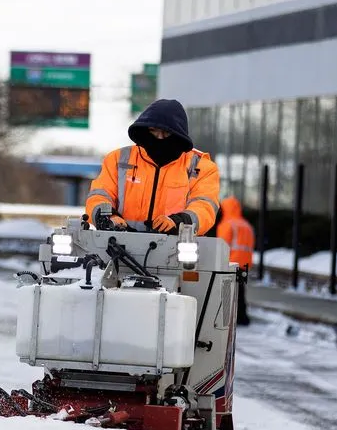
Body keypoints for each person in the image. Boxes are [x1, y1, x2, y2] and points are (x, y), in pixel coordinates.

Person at [84, 98, 220, 236]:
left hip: (175, 248)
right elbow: (99, 195)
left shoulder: (201, 167)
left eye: (167, 133)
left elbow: (204, 206)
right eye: (153, 131)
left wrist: (179, 222)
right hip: (118, 245)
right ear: (144, 130)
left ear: (179, 134)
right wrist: (109, 218)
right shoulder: (118, 159)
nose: (160, 138)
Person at [216, 196, 255, 326]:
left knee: (228, 291)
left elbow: (222, 245)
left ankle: (229, 318)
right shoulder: (246, 225)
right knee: (240, 291)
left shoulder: (226, 225)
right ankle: (243, 317)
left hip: (231, 262)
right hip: (244, 263)